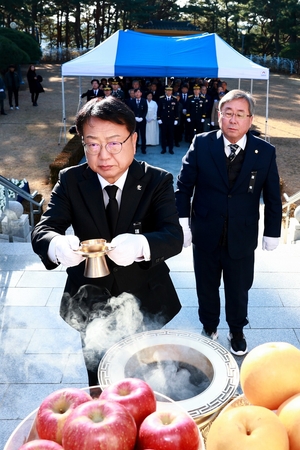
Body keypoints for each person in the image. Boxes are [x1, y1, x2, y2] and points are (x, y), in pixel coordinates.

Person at [31, 96, 183, 387]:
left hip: (146, 295)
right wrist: (57, 245)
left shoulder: (157, 180)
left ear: (133, 140)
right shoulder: (71, 180)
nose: (104, 155)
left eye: (114, 142)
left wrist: (141, 245)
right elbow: (44, 229)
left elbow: (172, 236)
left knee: (146, 379)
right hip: (89, 300)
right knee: (99, 380)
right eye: (93, 144)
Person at [175, 89, 282, 357]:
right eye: (228, 113)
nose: (233, 120)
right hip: (206, 231)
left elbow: (271, 196)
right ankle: (209, 326)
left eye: (240, 115)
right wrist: (183, 223)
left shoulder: (265, 152)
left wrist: (272, 231)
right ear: (219, 116)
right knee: (206, 285)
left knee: (238, 288)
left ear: (250, 119)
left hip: (242, 235)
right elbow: (183, 186)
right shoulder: (202, 144)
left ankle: (237, 330)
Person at [157, 86, 179, 154]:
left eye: (170, 91)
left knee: (171, 135)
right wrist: (159, 118)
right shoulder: (161, 99)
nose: (168, 92)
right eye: (167, 90)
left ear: (172, 92)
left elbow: (176, 110)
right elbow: (159, 110)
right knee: (163, 135)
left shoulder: (174, 99)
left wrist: (176, 119)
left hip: (171, 120)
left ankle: (171, 149)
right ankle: (163, 149)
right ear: (165, 91)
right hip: (164, 119)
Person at [129, 88, 148, 154]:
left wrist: (142, 117)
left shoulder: (144, 101)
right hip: (135, 121)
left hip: (142, 121)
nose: (137, 94)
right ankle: (135, 148)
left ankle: (143, 149)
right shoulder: (131, 101)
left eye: (139, 92)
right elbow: (130, 110)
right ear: (134, 94)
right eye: (136, 92)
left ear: (141, 94)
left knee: (143, 135)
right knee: (135, 135)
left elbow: (145, 110)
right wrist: (134, 117)